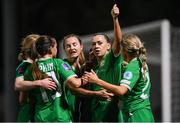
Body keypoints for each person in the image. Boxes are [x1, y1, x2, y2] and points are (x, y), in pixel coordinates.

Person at [83, 34, 155, 122]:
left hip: (135, 114)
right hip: (145, 112)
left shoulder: (132, 66)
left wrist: (97, 81)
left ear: (124, 50)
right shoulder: (141, 64)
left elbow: (121, 91)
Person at [23, 35, 82, 122]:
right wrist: (87, 79)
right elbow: (76, 83)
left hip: (41, 117)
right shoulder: (58, 63)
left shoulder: (29, 69)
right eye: (56, 47)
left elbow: (23, 98)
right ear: (51, 48)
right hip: (59, 116)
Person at [82, 4, 124, 122]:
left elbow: (119, 41)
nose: (96, 46)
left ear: (108, 46)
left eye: (100, 43)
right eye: (94, 44)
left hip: (111, 116)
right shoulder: (94, 69)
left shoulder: (112, 60)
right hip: (96, 117)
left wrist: (115, 19)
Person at [62, 34, 113, 122]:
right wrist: (96, 94)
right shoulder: (62, 65)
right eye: (68, 46)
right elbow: (74, 90)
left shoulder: (84, 67)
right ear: (64, 49)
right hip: (65, 114)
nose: (72, 48)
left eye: (74, 44)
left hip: (80, 115)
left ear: (81, 47)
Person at [15, 34, 56, 122]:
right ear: (32, 48)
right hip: (28, 115)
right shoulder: (25, 65)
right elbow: (18, 86)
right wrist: (40, 83)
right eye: (38, 45)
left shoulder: (39, 64)